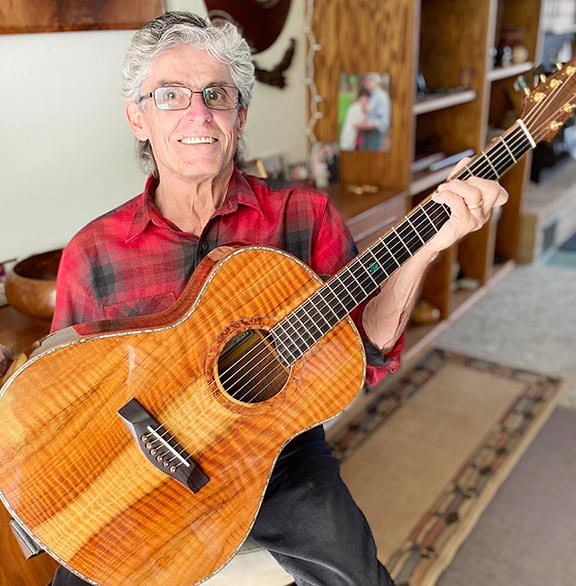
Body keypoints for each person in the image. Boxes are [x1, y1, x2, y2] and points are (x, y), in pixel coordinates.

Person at [50, 11, 507, 586]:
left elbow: (364, 354)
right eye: (170, 96)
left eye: (217, 94)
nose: (199, 113)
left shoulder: (302, 216)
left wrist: (426, 250)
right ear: (137, 118)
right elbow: (66, 407)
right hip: (144, 470)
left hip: (280, 458)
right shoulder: (93, 252)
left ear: (239, 116)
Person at [356, 73, 391, 151]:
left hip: (375, 132)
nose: (366, 84)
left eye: (369, 81)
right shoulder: (372, 95)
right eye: (365, 82)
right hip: (367, 131)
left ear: (375, 81)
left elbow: (383, 121)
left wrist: (362, 126)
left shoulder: (381, 96)